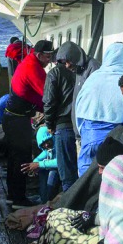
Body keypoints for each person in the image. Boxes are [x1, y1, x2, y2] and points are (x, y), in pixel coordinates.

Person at [3, 39, 55, 204]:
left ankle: (13, 195)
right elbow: (48, 96)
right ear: (39, 55)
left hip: (13, 117)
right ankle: (19, 200)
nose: (49, 61)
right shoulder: (34, 68)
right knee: (22, 158)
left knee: (14, 158)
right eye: (48, 57)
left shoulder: (29, 61)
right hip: (18, 120)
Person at [74, 43, 123, 175]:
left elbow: (78, 106)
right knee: (114, 182)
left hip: (89, 135)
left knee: (86, 182)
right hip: (117, 139)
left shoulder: (93, 78)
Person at [43, 42, 84, 193]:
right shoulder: (80, 72)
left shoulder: (54, 73)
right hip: (79, 126)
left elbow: (49, 101)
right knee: (76, 169)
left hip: (62, 125)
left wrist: (49, 124)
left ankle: (67, 206)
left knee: (66, 173)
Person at [23, 124, 62, 204]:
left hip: (61, 170)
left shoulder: (59, 144)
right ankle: (44, 198)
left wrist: (39, 164)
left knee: (52, 173)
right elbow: (39, 158)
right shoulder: (47, 149)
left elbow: (59, 162)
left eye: (47, 141)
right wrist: (33, 164)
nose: (46, 145)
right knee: (42, 170)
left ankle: (49, 199)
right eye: (43, 144)